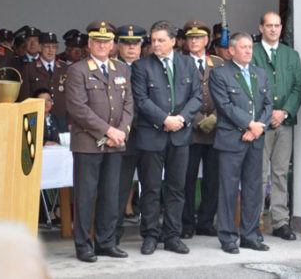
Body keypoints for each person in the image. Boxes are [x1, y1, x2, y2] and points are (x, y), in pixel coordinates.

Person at [132, 21, 202, 255]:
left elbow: (197, 96)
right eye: (153, 40)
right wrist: (164, 119)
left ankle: (173, 235)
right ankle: (150, 235)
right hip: (152, 135)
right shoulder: (141, 66)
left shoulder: (187, 63)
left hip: (180, 135)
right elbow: (141, 100)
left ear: (173, 41)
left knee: (176, 188)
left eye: (161, 40)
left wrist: (181, 118)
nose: (156, 44)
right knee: (150, 188)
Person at [65, 21, 132, 262]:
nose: (102, 45)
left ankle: (106, 242)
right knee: (85, 196)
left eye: (107, 42)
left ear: (113, 44)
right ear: (90, 44)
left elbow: (128, 104)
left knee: (110, 195)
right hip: (88, 143)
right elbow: (78, 108)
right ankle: (83, 245)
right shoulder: (78, 70)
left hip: (115, 143)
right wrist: (108, 131)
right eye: (97, 41)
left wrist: (121, 132)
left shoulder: (121, 68)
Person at [210, 32, 272, 254]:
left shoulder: (260, 73)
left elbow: (268, 105)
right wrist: (249, 124)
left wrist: (257, 128)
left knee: (253, 188)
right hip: (231, 139)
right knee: (228, 189)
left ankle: (250, 235)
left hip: (255, 139)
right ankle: (227, 237)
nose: (248, 51)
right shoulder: (220, 73)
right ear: (232, 50)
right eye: (243, 47)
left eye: (250, 47)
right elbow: (225, 106)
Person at [251, 12, 301, 241]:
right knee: (259, 173)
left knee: (281, 173)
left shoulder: (291, 55)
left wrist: (284, 112)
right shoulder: (252, 52)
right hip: (260, 124)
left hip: (284, 122)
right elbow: (249, 86)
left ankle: (280, 221)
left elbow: (298, 87)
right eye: (269, 25)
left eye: (277, 25)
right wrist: (267, 113)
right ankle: (254, 221)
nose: (273, 29)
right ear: (261, 28)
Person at [181, 20, 224, 239]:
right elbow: (179, 96)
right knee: (187, 179)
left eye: (198, 38)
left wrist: (215, 117)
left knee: (212, 179)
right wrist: (198, 119)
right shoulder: (179, 62)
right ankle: (187, 223)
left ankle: (206, 222)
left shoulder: (217, 62)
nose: (194, 41)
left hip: (214, 130)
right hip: (190, 130)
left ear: (207, 40)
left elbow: (225, 92)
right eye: (191, 38)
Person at [114, 24, 145, 244]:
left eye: (135, 44)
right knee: (119, 188)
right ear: (118, 45)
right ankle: (113, 233)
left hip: (149, 135)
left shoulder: (151, 67)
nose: (131, 48)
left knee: (151, 187)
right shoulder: (112, 68)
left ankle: (151, 233)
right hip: (123, 137)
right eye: (126, 44)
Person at [20, 32, 69, 131]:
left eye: (54, 47)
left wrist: (70, 121)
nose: (51, 50)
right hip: (36, 119)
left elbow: (71, 97)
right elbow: (24, 98)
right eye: (47, 46)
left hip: (61, 119)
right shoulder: (29, 68)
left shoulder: (65, 68)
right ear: (40, 48)